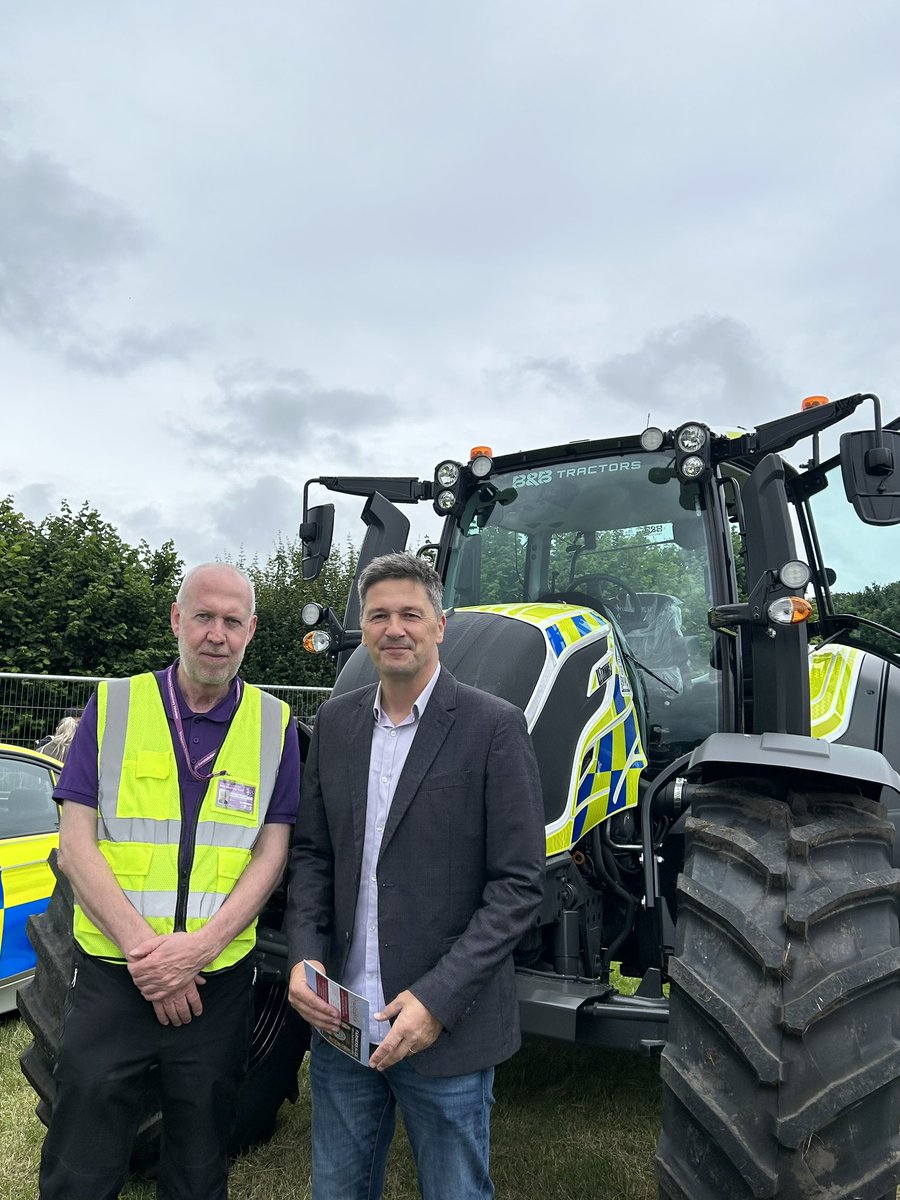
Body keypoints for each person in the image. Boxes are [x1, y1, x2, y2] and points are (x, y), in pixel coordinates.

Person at [286, 552, 545, 1200]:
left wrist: (436, 1000)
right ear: (364, 628)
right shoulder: (337, 724)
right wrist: (305, 958)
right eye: (379, 615)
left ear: (440, 625)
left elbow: (517, 885)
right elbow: (314, 856)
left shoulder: (493, 727)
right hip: (342, 1025)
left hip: (445, 1033)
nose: (394, 628)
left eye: (410, 614)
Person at [38, 563, 301, 1200]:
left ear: (252, 630)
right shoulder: (116, 705)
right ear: (177, 619)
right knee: (83, 1150)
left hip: (218, 979)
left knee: (200, 1152)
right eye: (203, 616)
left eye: (232, 620)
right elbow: (76, 845)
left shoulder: (276, 724)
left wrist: (199, 951)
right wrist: (146, 954)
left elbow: (272, 855)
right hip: (112, 972)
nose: (217, 633)